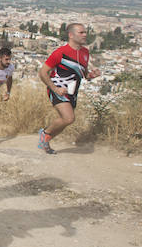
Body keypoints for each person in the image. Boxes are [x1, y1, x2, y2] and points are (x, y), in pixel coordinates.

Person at [37, 23, 101, 154]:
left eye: (85, 32)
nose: (85, 35)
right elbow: (43, 72)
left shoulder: (85, 52)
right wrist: (55, 88)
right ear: (71, 35)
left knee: (66, 121)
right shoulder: (60, 52)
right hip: (58, 88)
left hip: (72, 92)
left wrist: (91, 76)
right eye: (81, 33)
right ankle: (45, 134)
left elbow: (83, 74)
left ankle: (46, 139)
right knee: (69, 118)